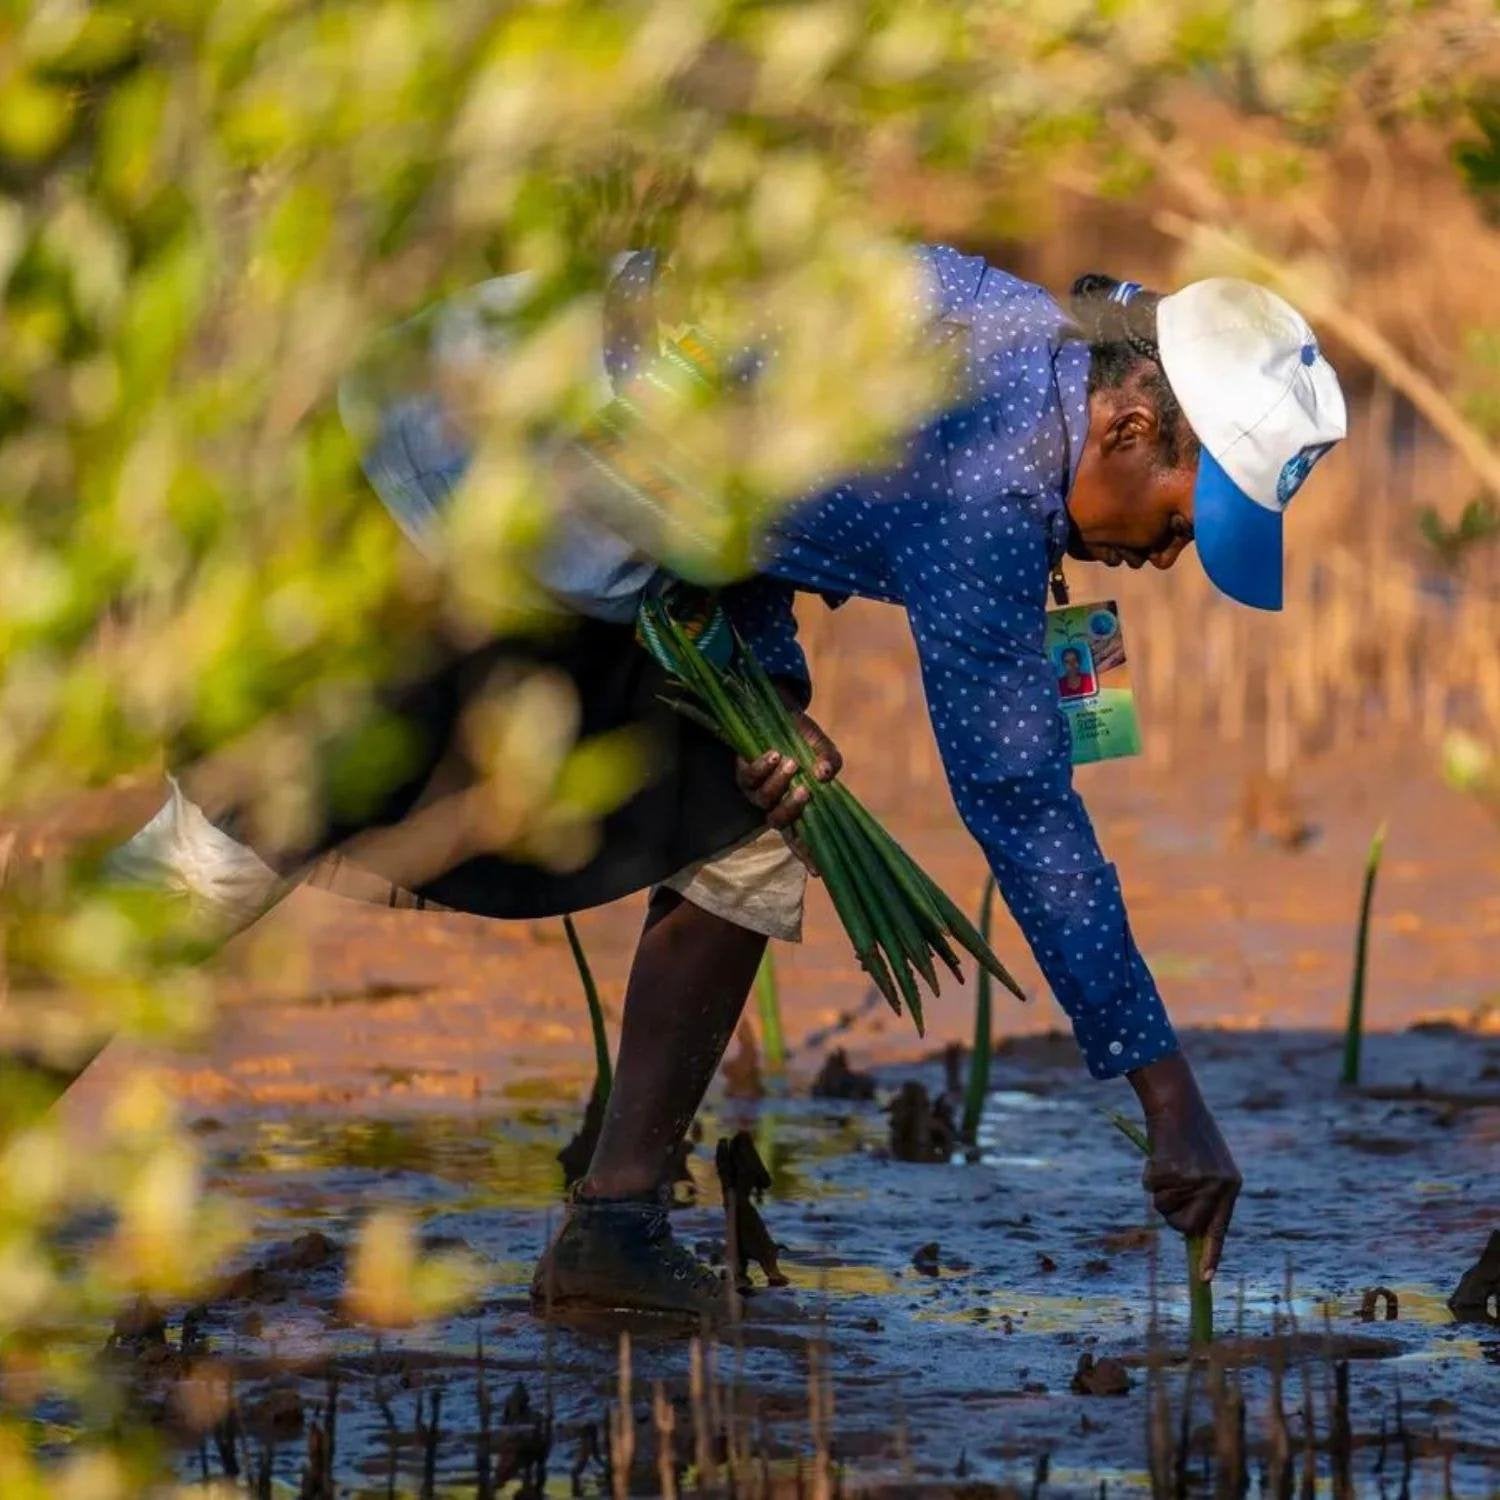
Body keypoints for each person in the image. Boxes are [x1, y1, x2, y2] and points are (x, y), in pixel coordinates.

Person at [69, 247, 1346, 1319]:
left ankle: (612, 1233)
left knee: (746, 835)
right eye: (1185, 516)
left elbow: (779, 477)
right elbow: (1017, 800)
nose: (1174, 558)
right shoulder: (994, 485)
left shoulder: (1017, 344)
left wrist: (764, 681)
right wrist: (1168, 1098)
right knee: (228, 847)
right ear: (1129, 424)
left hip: (577, 526)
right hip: (440, 500)